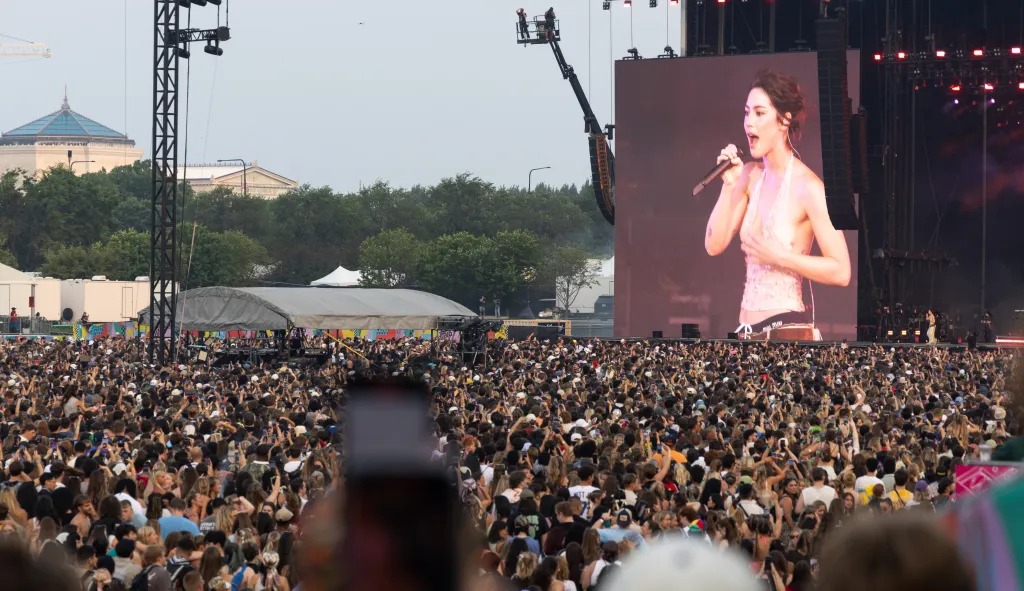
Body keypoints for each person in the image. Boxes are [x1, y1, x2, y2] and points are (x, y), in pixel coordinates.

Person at [704, 69, 852, 341]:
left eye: (760, 113)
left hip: (787, 331)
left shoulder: (809, 187)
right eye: (747, 112)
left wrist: (781, 257)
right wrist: (728, 187)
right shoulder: (748, 175)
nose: (749, 123)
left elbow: (841, 271)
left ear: (784, 121)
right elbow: (714, 245)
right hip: (745, 332)